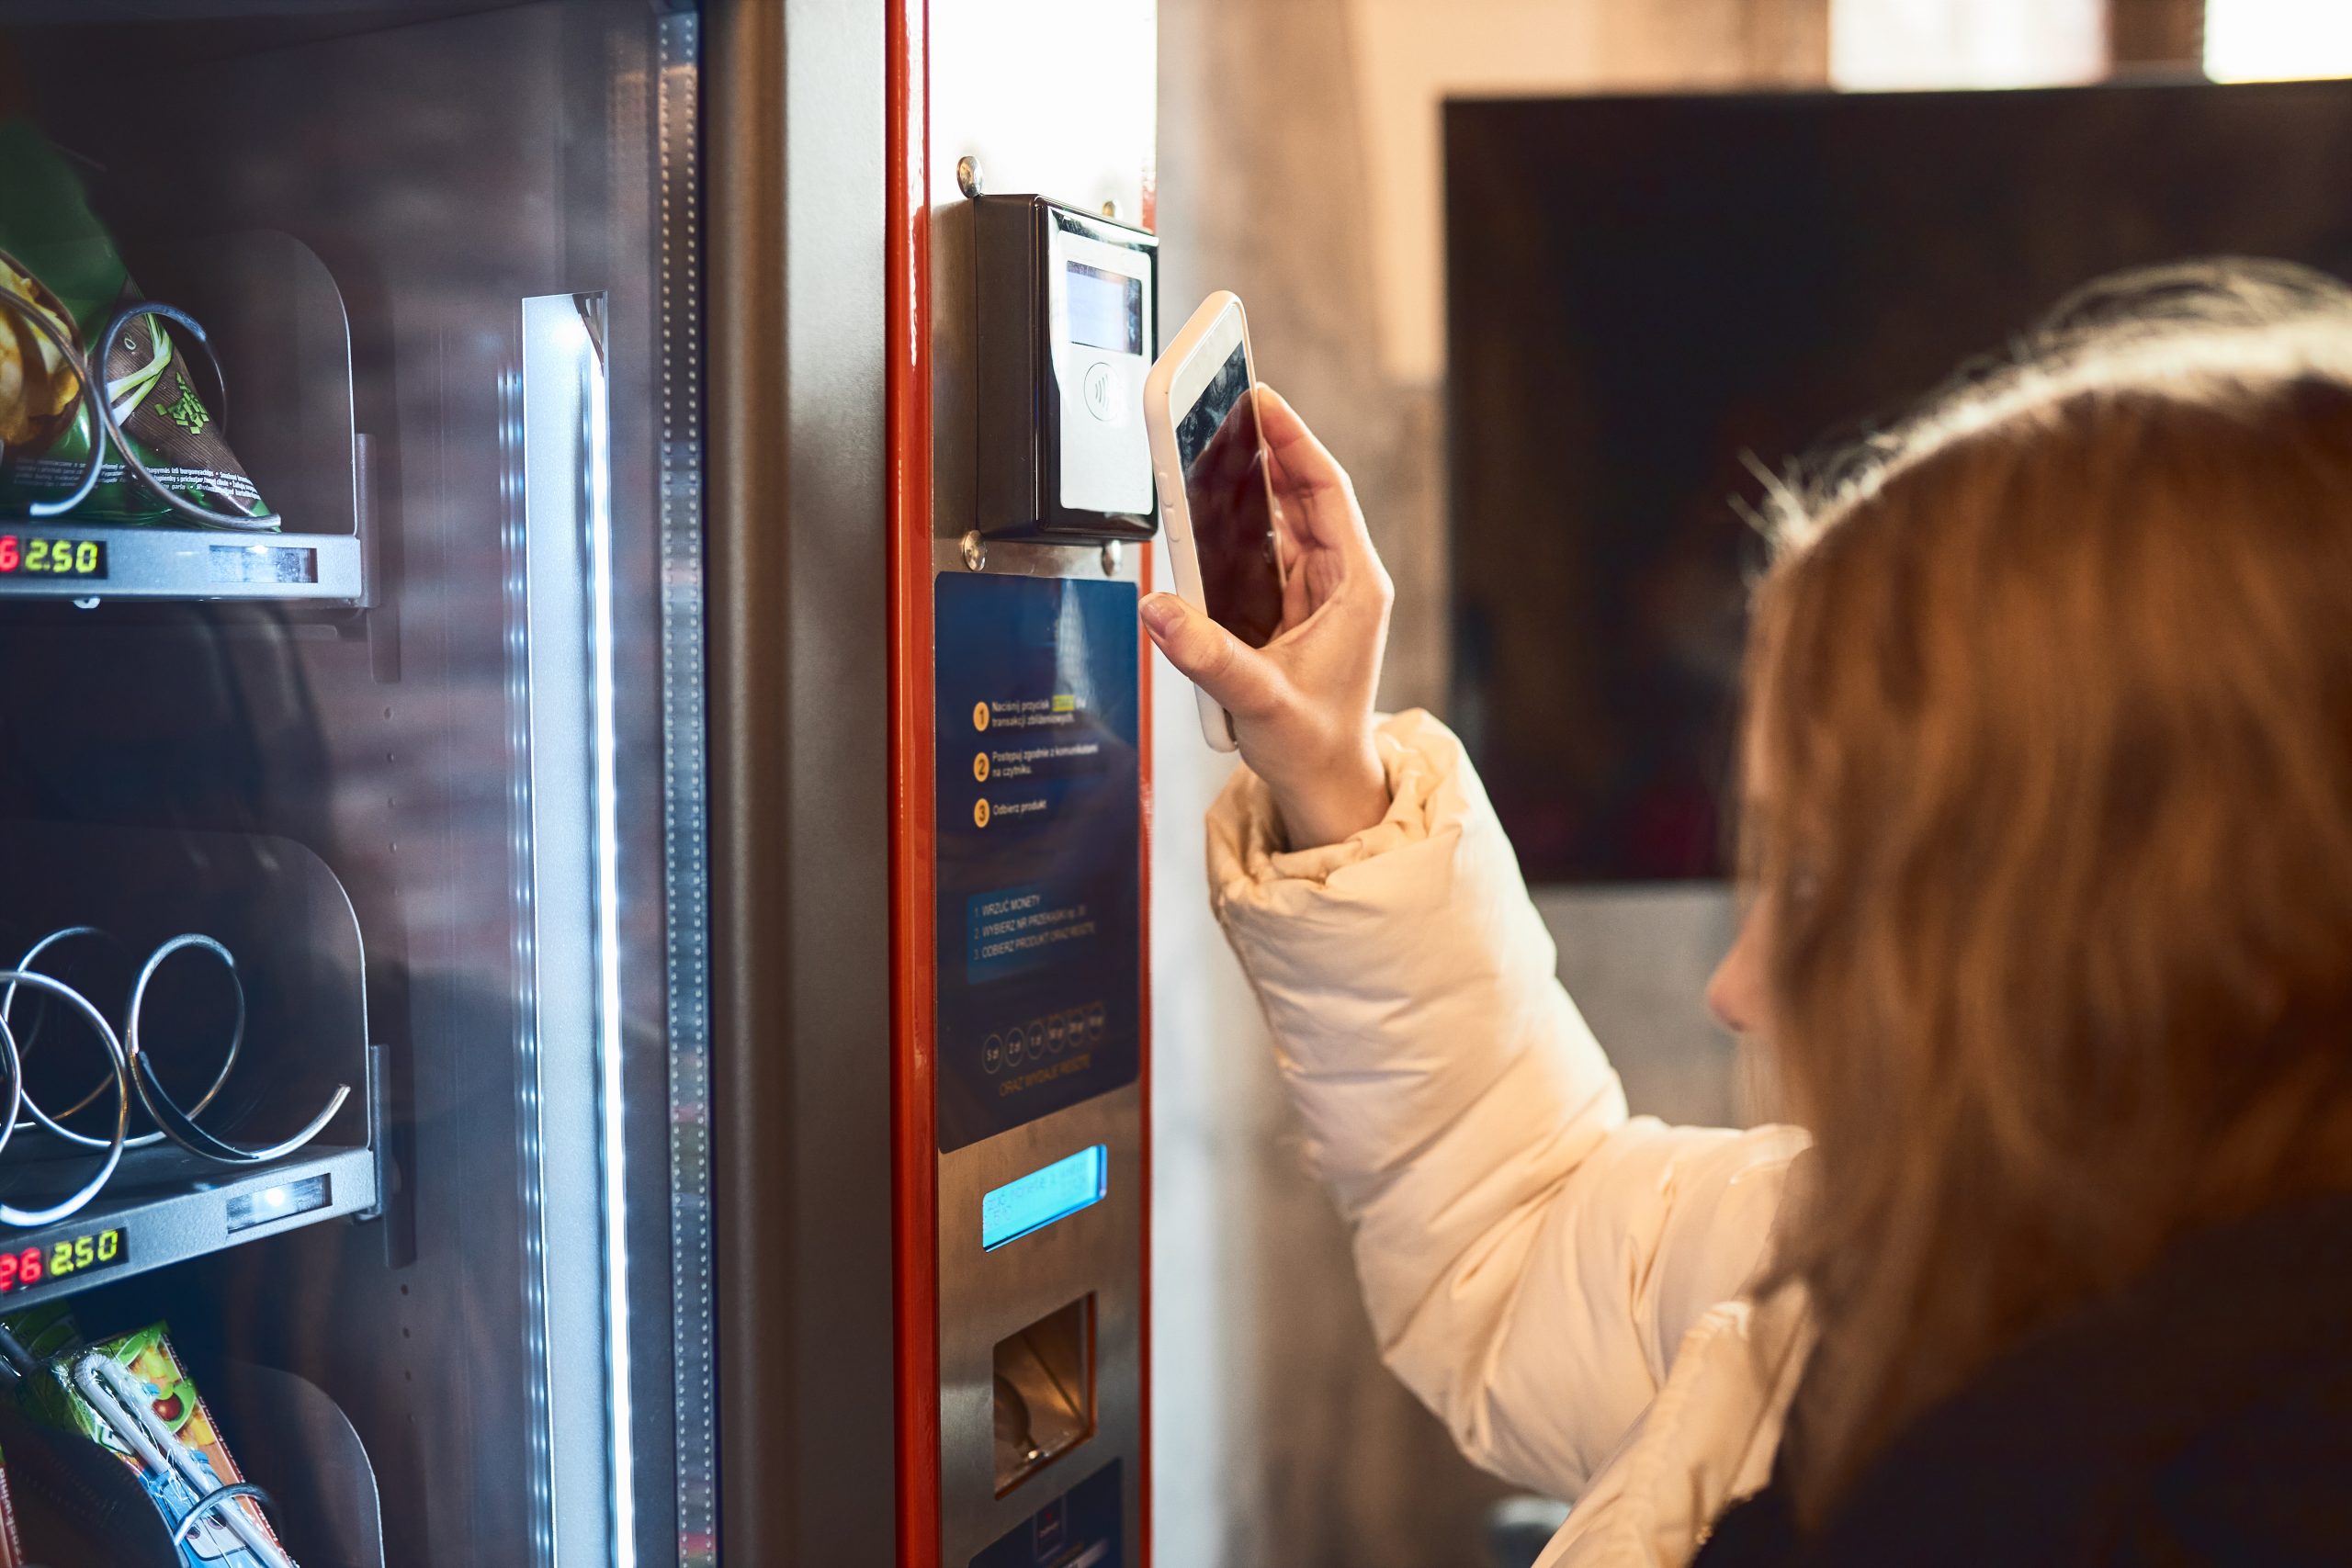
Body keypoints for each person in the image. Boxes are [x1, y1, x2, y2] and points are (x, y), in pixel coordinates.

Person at [1139, 259, 2352, 1566]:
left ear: (2127, 930)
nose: (1741, 988)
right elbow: (1522, 1228)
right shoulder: (1904, 1249)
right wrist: (1338, 779)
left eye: (1825, 884)